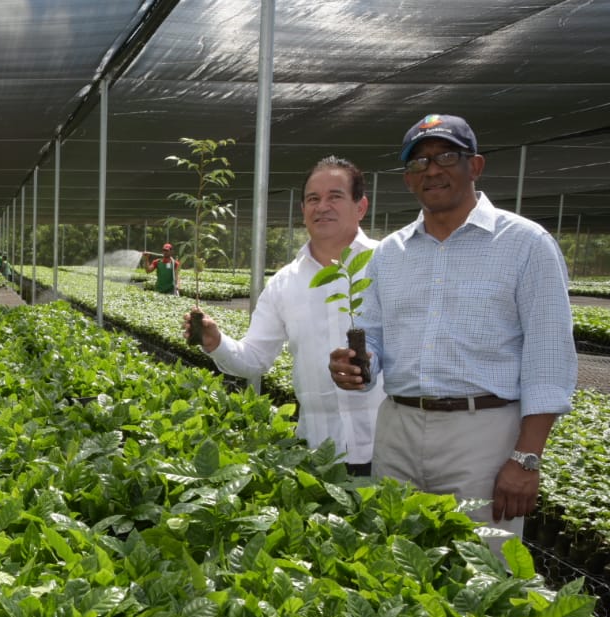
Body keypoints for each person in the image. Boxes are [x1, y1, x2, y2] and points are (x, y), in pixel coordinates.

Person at [329, 114, 576, 541]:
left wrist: (527, 459)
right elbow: (372, 335)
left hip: (483, 434)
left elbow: (549, 358)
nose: (431, 170)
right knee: (396, 564)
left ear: (474, 166)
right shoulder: (389, 254)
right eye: (417, 163)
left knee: (483, 573)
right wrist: (355, 364)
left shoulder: (526, 244)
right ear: (408, 180)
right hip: (398, 430)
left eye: (446, 156)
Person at [185, 157, 384, 475]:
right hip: (320, 455)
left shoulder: (389, 263)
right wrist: (216, 340)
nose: (322, 207)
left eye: (335, 196)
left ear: (360, 207)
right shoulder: (284, 283)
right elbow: (254, 359)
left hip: (391, 450)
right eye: (312, 199)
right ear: (303, 210)